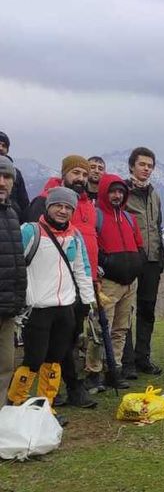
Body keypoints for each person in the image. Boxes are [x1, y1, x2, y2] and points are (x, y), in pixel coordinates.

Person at [8, 187, 95, 426]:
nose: (63, 210)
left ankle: (47, 405)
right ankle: (15, 404)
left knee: (55, 358)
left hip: (65, 308)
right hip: (37, 308)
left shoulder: (74, 236)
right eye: (58, 205)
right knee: (33, 359)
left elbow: (82, 269)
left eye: (68, 208)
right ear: (48, 206)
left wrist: (87, 301)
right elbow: (15, 266)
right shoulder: (30, 231)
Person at [26, 155, 100, 408]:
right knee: (49, 346)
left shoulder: (87, 204)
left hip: (79, 284)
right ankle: (55, 392)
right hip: (46, 291)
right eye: (75, 173)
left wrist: (90, 283)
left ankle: (67, 388)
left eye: (84, 174)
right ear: (64, 173)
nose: (80, 178)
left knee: (70, 339)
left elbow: (86, 245)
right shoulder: (43, 202)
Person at [89, 174, 145, 391]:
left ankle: (115, 369)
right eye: (113, 191)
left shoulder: (129, 218)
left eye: (121, 192)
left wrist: (138, 263)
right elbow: (92, 245)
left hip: (129, 282)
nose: (117, 195)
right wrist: (104, 264)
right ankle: (94, 372)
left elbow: (139, 245)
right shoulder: (96, 216)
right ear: (104, 192)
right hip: (109, 282)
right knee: (100, 328)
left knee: (121, 329)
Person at [122, 147, 164, 378]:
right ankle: (126, 361)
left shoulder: (155, 194)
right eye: (142, 164)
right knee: (125, 310)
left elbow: (157, 226)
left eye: (150, 166)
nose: (146, 169)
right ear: (132, 166)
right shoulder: (122, 191)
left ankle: (143, 357)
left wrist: (159, 256)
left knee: (147, 309)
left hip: (152, 259)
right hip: (129, 258)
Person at [0, 156, 26, 399]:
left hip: (7, 308)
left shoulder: (11, 215)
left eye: (7, 177)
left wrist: (18, 300)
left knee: (5, 367)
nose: (2, 182)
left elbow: (17, 260)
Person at [0, 131, 31, 222]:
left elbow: (24, 203)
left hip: (13, 222)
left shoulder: (16, 173)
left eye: (4, 145)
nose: (0, 148)